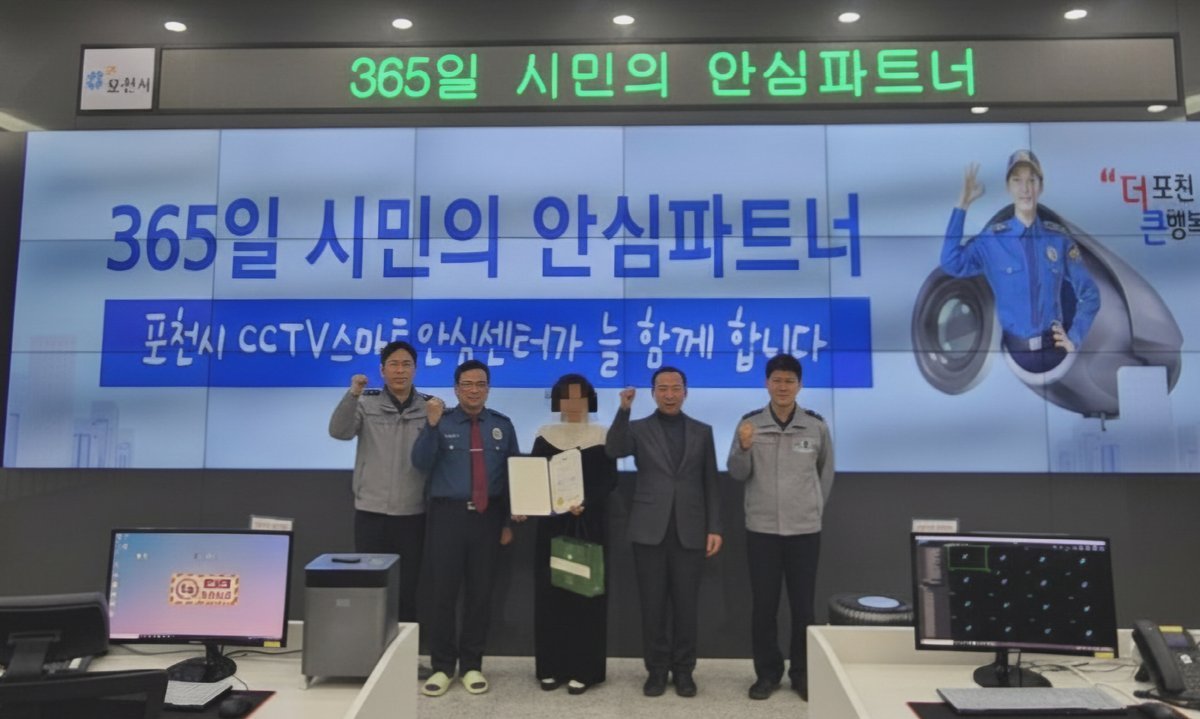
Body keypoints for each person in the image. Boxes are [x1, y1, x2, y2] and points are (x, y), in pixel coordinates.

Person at [605, 366, 723, 699]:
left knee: (686, 607)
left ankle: (684, 672)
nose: (669, 394)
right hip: (649, 530)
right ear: (653, 393)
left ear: (686, 391)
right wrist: (624, 410)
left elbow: (711, 483)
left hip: (691, 530)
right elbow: (614, 449)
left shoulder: (702, 431)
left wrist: (714, 526)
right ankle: (656, 671)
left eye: (675, 388)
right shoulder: (638, 428)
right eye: (662, 388)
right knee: (652, 606)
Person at [726, 353, 834, 702]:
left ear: (799, 385)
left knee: (804, 608)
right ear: (766, 383)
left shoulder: (815, 426)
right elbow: (737, 472)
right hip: (762, 531)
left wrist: (811, 509)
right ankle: (767, 674)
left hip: (804, 531)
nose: (783, 386)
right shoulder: (749, 424)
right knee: (764, 607)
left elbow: (825, 474)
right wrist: (744, 448)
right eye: (777, 380)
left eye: (789, 380)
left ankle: (802, 674)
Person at [412, 359, 519, 697]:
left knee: (480, 596)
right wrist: (431, 426)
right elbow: (420, 462)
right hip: (448, 518)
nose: (474, 390)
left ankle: (472, 665)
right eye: (467, 384)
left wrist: (508, 520)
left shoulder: (502, 425)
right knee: (442, 596)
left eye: (480, 384)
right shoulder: (439, 421)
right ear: (456, 389)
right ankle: (442, 667)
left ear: (488, 388)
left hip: (488, 519)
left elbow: (513, 474)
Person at [942, 149, 1101, 374]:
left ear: (1041, 187)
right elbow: (951, 261)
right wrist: (962, 205)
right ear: (1008, 187)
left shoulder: (1058, 239)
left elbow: (1090, 295)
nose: (1025, 189)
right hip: (1013, 358)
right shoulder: (992, 241)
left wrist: (1074, 338)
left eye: (1031, 181)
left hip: (1055, 356)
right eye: (1017, 180)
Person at [327, 340, 431, 628]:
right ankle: (369, 646)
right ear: (383, 370)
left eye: (406, 364)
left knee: (408, 588)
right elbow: (339, 431)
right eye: (394, 364)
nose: (400, 370)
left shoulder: (429, 407)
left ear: (415, 369)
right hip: (371, 512)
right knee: (369, 584)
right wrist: (352, 393)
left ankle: (405, 649)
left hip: (413, 513)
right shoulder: (366, 402)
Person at [529, 373, 618, 696]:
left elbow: (609, 481)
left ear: (590, 400)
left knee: (586, 597)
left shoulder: (602, 434)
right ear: (558, 401)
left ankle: (585, 670)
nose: (574, 403)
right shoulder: (545, 433)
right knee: (551, 596)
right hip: (552, 526)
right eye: (567, 397)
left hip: (588, 526)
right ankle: (551, 668)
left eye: (580, 397)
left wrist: (586, 503)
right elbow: (534, 477)